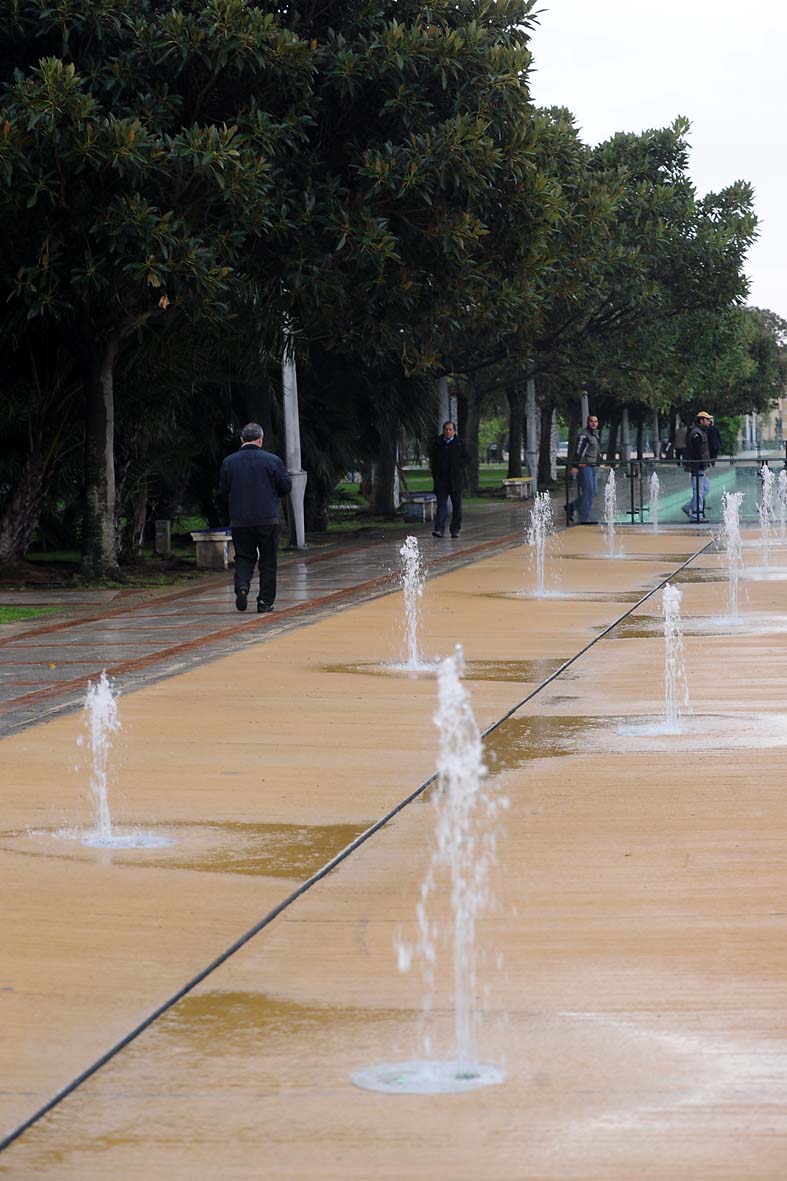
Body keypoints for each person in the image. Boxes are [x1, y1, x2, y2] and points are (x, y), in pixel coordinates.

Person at [219, 422, 292, 613]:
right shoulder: (273, 460)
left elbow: (223, 490)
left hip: (240, 520)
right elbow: (285, 487)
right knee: (268, 560)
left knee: (243, 557)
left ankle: (242, 586)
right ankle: (265, 601)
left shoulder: (229, 462)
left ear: (242, 439)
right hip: (267, 519)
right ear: (260, 439)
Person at [429, 420, 470, 539]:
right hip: (442, 481)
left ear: (454, 431)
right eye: (446, 429)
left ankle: (455, 529)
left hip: (456, 481)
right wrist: (436, 476)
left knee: (457, 507)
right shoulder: (438, 443)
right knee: (441, 505)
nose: (448, 431)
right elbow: (433, 460)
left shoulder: (459, 444)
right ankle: (439, 529)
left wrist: (458, 466)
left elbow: (467, 458)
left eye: (450, 429)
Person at [568, 414, 601, 524]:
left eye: (595, 421)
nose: (593, 423)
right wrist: (575, 466)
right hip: (584, 466)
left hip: (591, 467)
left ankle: (571, 507)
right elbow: (579, 451)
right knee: (588, 492)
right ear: (588, 422)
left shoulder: (595, 435)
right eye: (591, 421)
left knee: (593, 492)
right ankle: (584, 518)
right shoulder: (584, 435)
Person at [681, 411, 712, 522]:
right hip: (697, 467)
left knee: (705, 488)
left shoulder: (701, 432)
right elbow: (696, 453)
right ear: (701, 420)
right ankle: (696, 514)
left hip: (701, 467)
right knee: (698, 491)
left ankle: (689, 507)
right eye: (707, 420)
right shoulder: (696, 433)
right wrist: (699, 466)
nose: (709, 422)